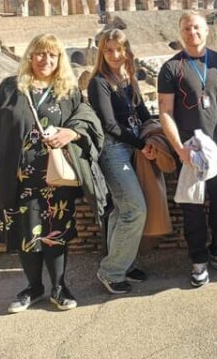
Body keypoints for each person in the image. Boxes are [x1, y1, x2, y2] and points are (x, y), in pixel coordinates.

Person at [0, 34, 103, 312]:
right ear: (30, 56)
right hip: (16, 178)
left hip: (54, 178)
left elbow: (87, 119)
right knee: (26, 236)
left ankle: (59, 286)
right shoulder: (11, 87)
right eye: (40, 54)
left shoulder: (67, 91)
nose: (46, 60)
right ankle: (33, 288)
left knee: (56, 233)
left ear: (59, 60)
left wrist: (71, 132)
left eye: (52, 55)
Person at [158, 11, 217, 287]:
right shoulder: (171, 68)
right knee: (192, 207)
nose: (192, 32)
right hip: (190, 148)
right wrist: (179, 149)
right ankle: (198, 260)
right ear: (180, 32)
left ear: (206, 30)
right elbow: (165, 112)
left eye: (196, 27)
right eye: (186, 28)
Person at [88, 28, 155, 294]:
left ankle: (122, 265)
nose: (115, 55)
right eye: (108, 50)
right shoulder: (98, 82)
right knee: (135, 209)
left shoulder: (127, 78)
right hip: (114, 150)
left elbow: (142, 111)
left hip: (132, 148)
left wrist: (154, 135)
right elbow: (109, 125)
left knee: (120, 210)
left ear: (127, 51)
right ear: (101, 53)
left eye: (119, 49)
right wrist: (142, 144)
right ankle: (111, 270)